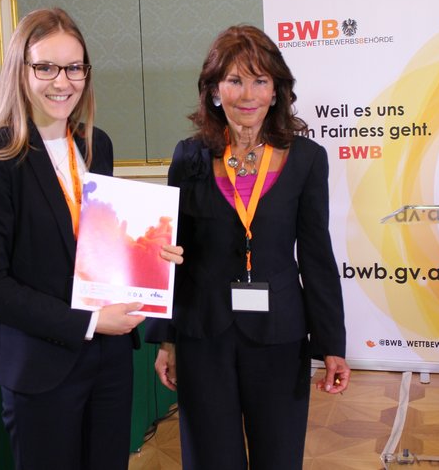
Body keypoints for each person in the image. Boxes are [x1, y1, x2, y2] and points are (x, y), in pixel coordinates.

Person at [0, 7, 182, 470]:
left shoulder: (96, 144)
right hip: (39, 364)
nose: (63, 82)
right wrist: (89, 322)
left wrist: (148, 255)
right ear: (20, 70)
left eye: (74, 67)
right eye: (46, 67)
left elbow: (97, 246)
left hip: (110, 359)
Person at [145, 24, 350, 469]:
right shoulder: (189, 157)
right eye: (235, 80)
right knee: (210, 457)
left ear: (276, 91)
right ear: (214, 91)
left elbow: (316, 254)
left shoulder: (307, 159)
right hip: (203, 333)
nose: (248, 94)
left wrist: (332, 343)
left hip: (279, 335)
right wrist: (166, 339)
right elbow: (172, 254)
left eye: (260, 80)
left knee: (279, 456)